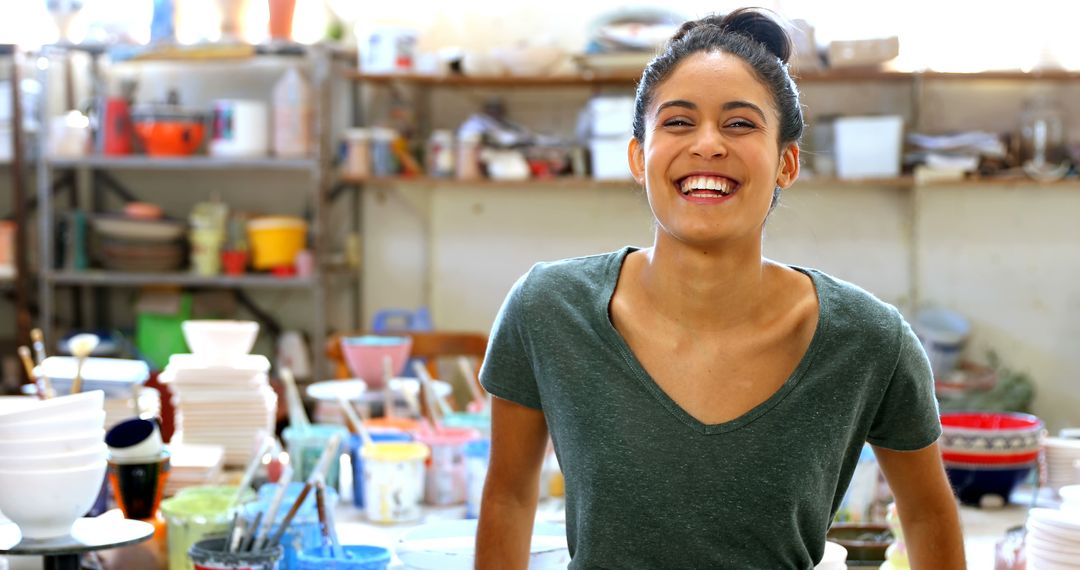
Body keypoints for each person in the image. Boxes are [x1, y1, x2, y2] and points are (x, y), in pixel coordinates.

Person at [474, 7, 965, 569]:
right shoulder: (547, 309)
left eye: (740, 124)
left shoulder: (871, 340)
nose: (707, 145)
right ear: (639, 156)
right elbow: (509, 496)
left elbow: (927, 513)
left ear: (786, 163)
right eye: (678, 122)